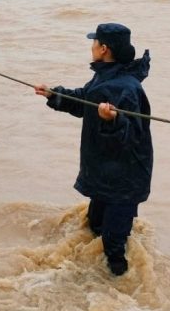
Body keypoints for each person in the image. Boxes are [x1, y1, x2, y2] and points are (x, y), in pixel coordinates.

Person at [34, 23, 153, 276]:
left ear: (104, 49)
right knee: (94, 224)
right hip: (106, 171)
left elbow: (133, 135)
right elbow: (84, 101)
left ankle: (119, 291)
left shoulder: (127, 88)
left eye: (94, 42)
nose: (91, 46)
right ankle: (92, 277)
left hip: (124, 180)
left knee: (113, 245)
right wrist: (53, 95)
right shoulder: (107, 75)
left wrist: (114, 120)